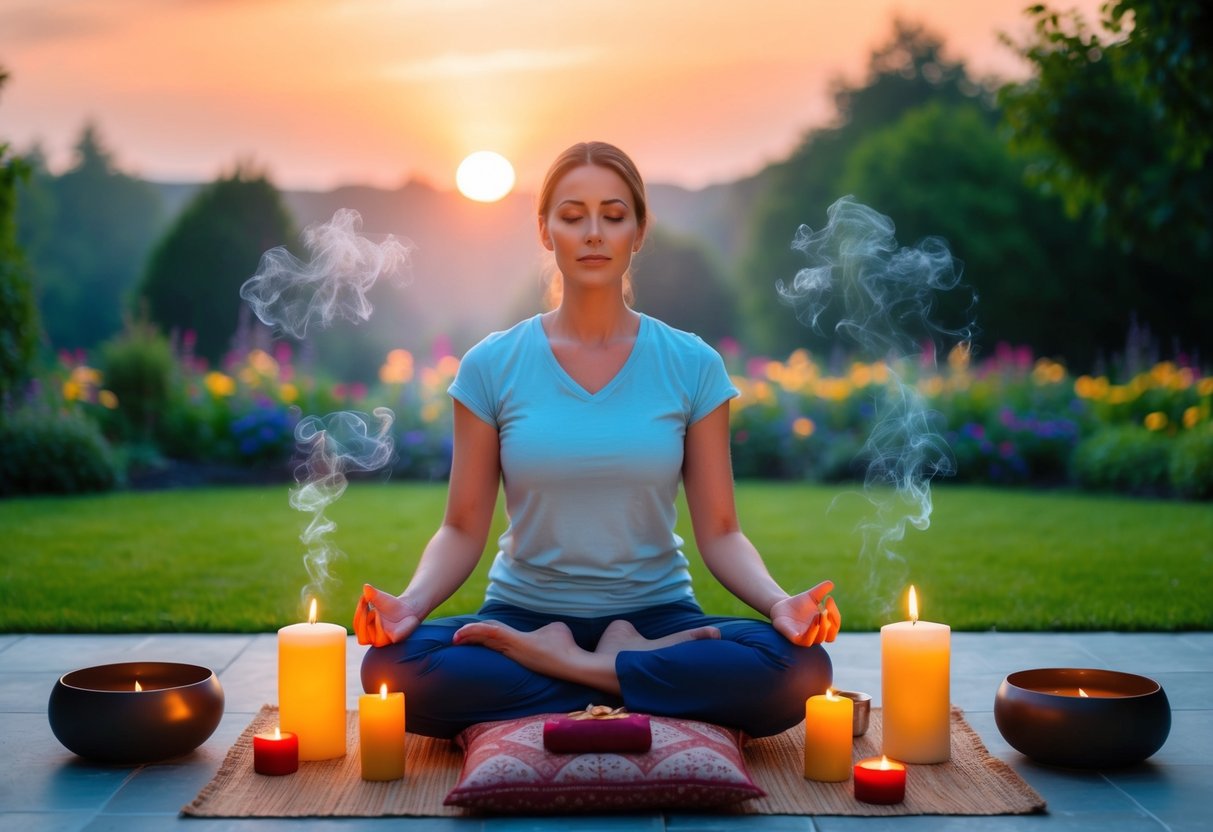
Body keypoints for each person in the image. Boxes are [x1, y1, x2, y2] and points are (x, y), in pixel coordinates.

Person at [355, 140, 840, 740]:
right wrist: (410, 604)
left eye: (613, 216)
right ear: (544, 230)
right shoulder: (491, 366)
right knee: (391, 668)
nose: (593, 233)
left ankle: (573, 667)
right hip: (522, 618)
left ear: (638, 232)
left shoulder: (692, 364)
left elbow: (720, 531)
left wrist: (777, 603)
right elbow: (461, 528)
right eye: (572, 215)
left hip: (658, 619)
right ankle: (620, 674)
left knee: (800, 670)